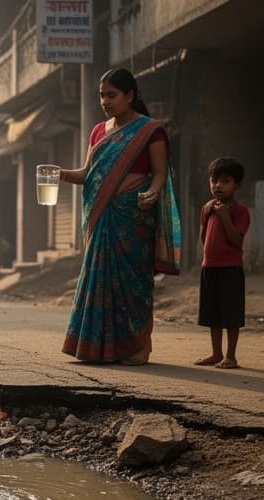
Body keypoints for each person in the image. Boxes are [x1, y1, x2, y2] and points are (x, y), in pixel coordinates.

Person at [57, 68, 181, 365]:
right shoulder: (99, 131)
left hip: (134, 218)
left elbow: (160, 172)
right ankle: (97, 347)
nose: (105, 101)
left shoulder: (151, 130)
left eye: (111, 95)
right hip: (102, 218)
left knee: (133, 284)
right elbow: (87, 174)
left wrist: (152, 192)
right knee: (99, 281)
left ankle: (139, 348)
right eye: (101, 95)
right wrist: (59, 173)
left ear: (130, 95)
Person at [194, 158, 251, 369]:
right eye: (214, 180)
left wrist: (225, 216)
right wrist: (209, 213)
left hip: (231, 269)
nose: (218, 185)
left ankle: (231, 356)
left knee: (231, 314)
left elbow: (237, 240)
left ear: (236, 185)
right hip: (209, 267)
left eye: (225, 181)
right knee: (213, 314)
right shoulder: (206, 208)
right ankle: (216, 353)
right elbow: (203, 238)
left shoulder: (239, 210)